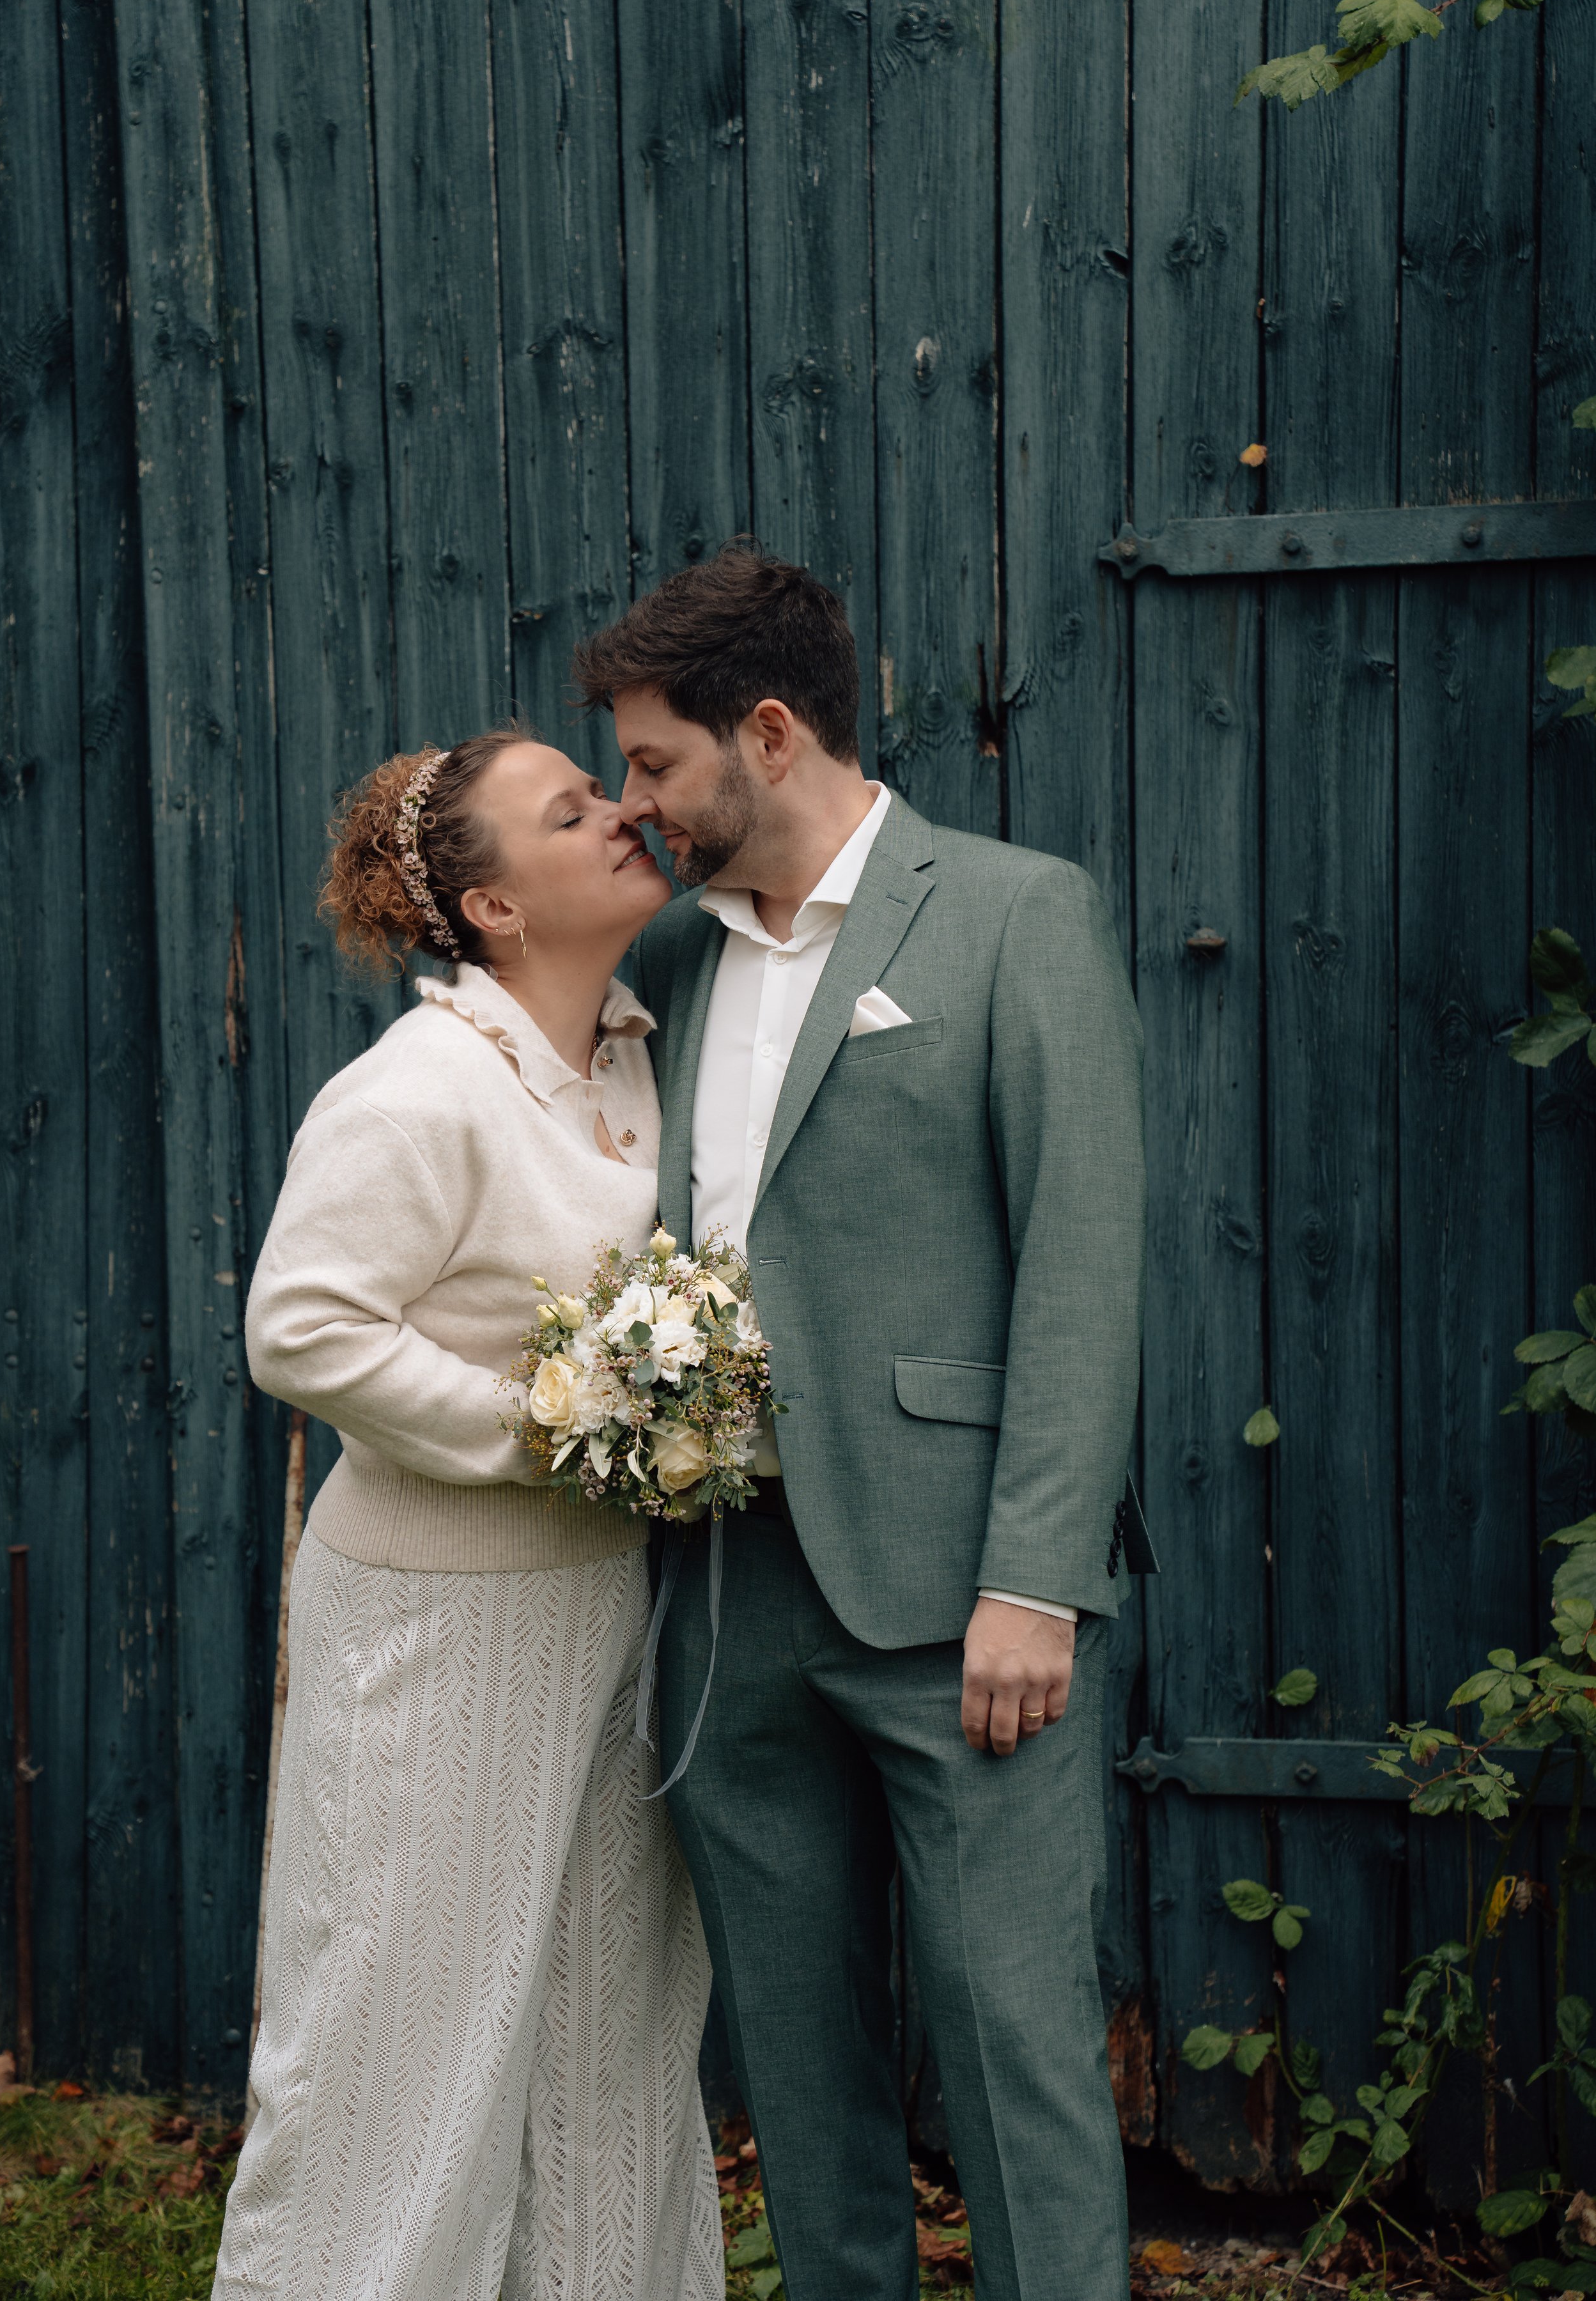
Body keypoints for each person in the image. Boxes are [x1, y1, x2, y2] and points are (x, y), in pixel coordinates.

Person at [573, 546, 1154, 2301]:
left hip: (955, 1598)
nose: (635, 804)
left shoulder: (1010, 912)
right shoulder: (662, 956)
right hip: (726, 1592)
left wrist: (1036, 1577)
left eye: (657, 763)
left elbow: (1080, 1257)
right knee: (797, 2077)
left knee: (1010, 2044)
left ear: (768, 730)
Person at [214, 729, 722, 2301]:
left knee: (609, 2038)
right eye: (571, 812)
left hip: (612, 1617)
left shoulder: (641, 1047)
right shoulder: (419, 1087)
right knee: (396, 2038)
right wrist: (545, 1433)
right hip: (433, 1628)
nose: (623, 814)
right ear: (493, 911)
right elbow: (298, 1325)